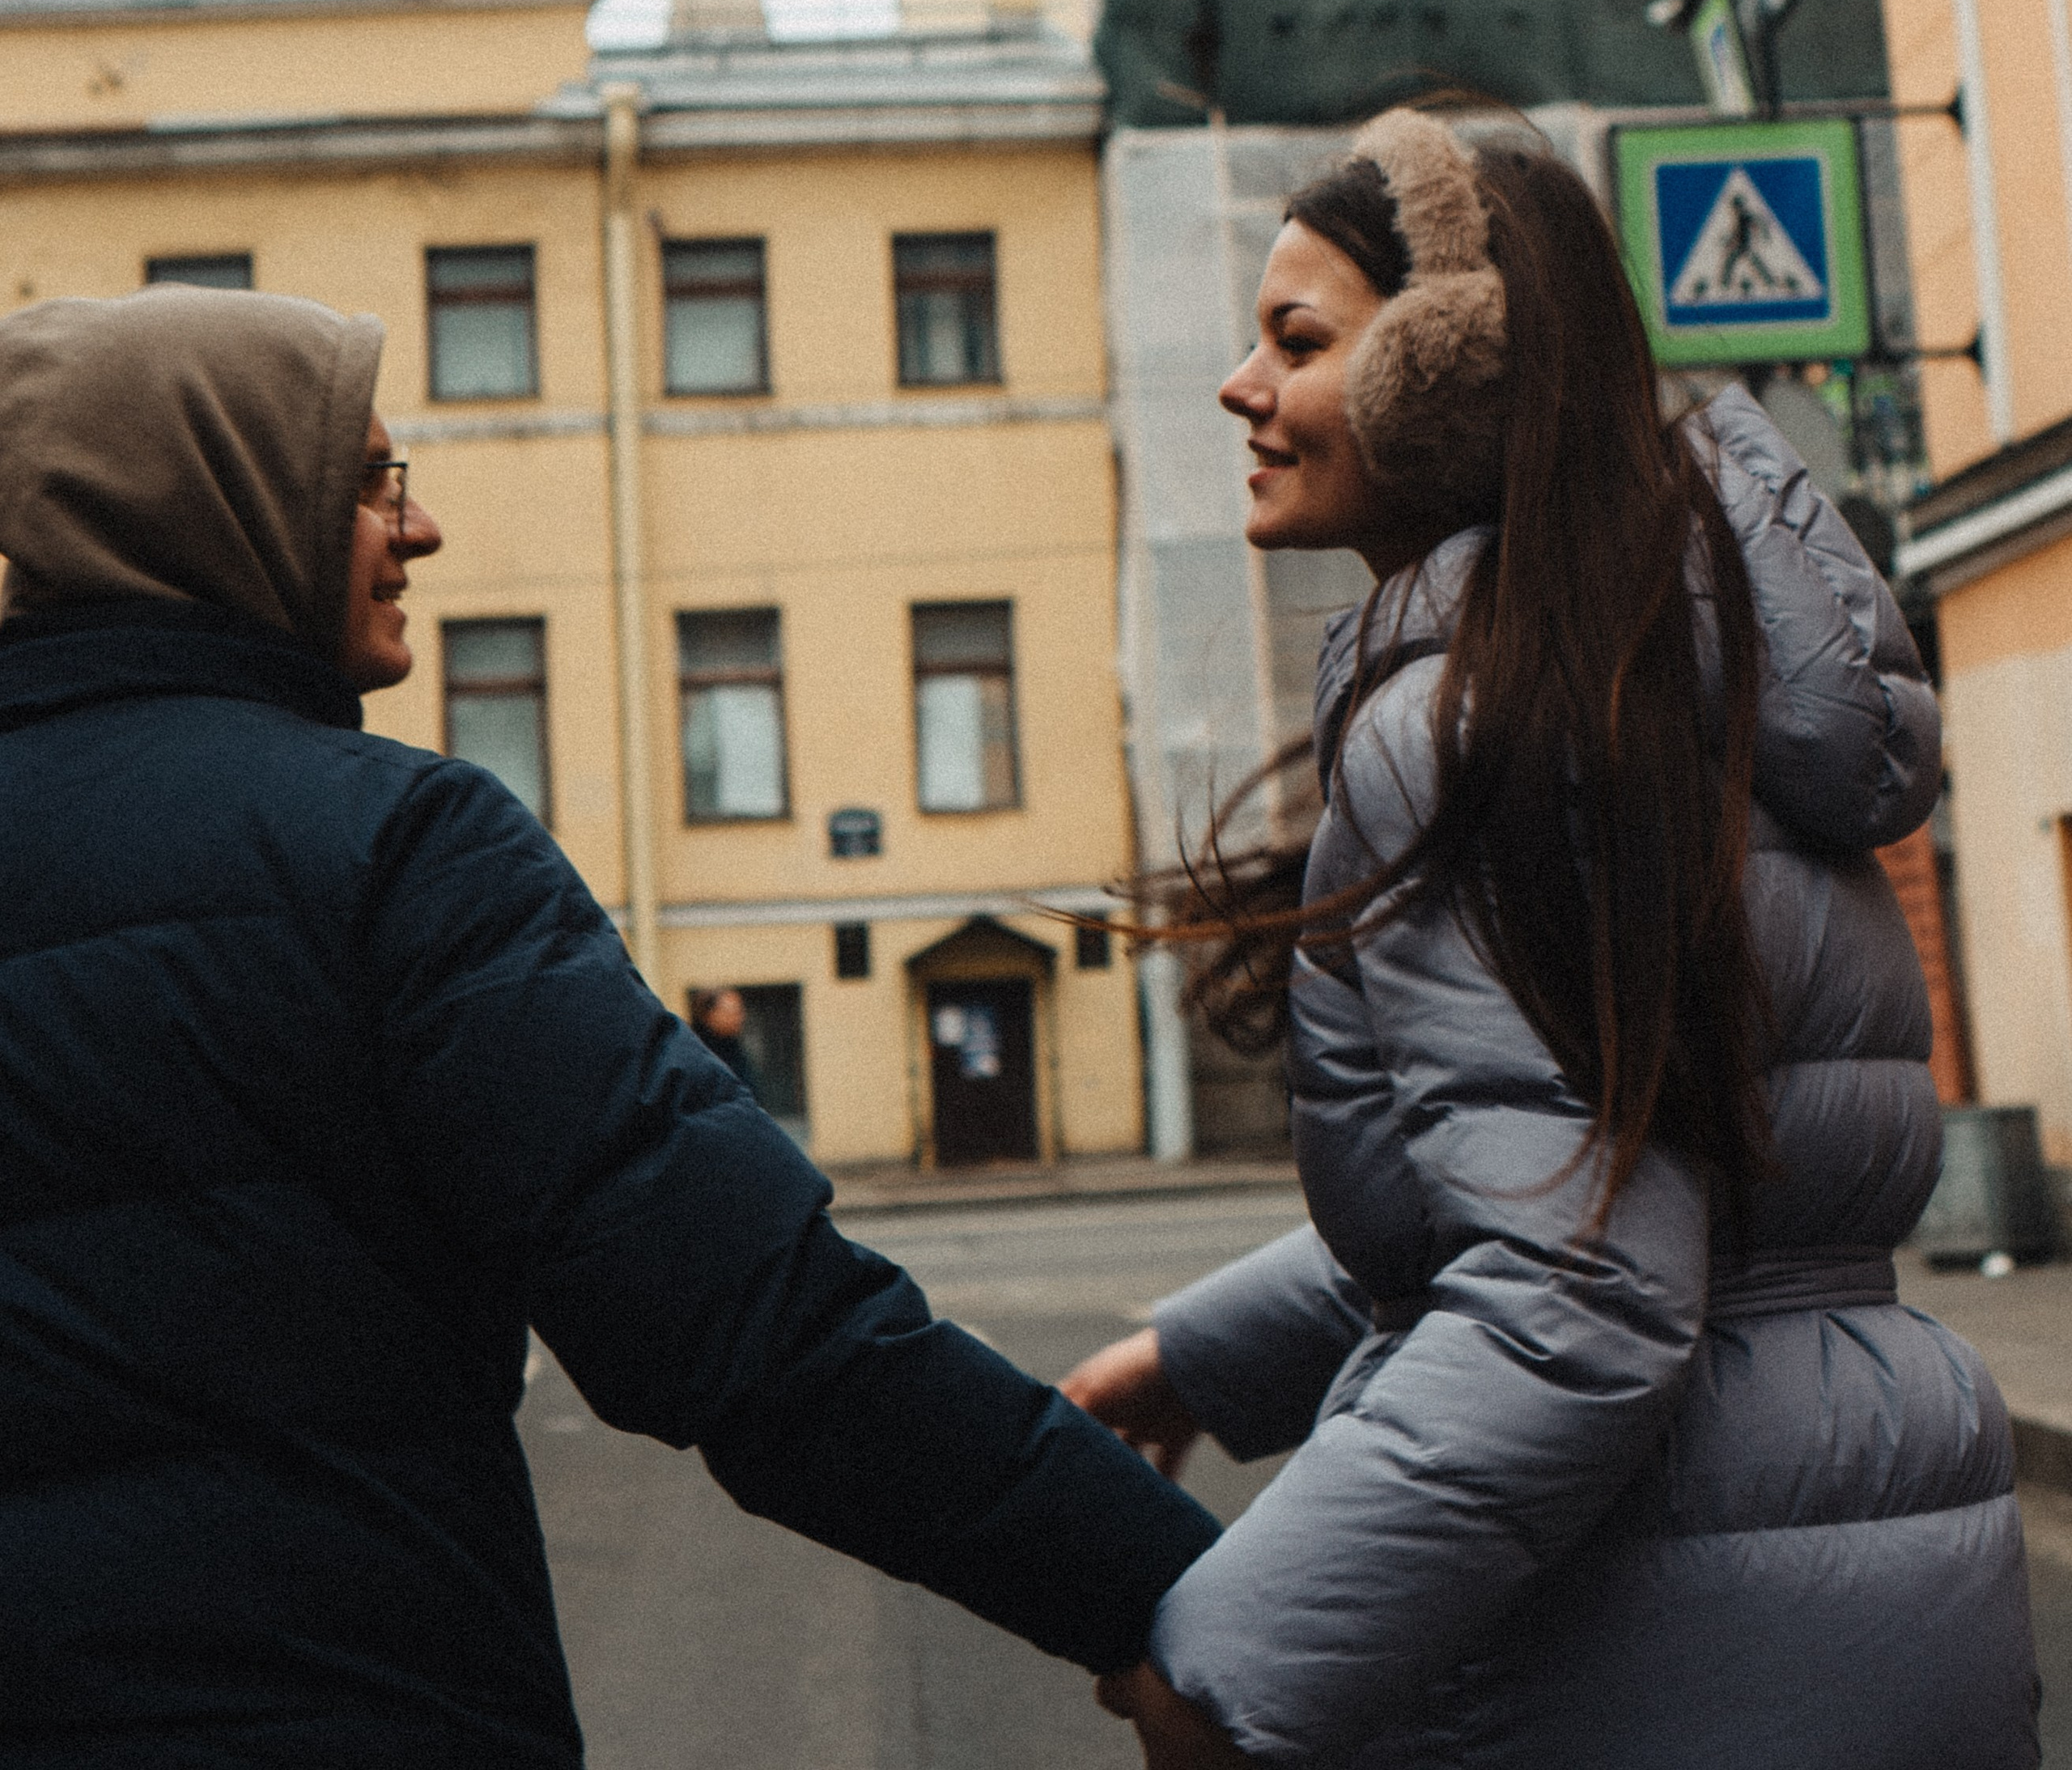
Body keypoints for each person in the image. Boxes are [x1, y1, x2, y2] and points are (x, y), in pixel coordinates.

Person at [0, 285, 1217, 1765]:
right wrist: (1173, 1601)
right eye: (371, 483)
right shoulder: (389, 849)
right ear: (227, 507)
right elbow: (758, 1326)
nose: (421, 530)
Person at [1070, 108, 2038, 1770]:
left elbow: (1575, 1293)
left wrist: (1222, 1669)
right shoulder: (1668, 691)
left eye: (1294, 342)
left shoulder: (1472, 726)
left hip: (1657, 1631)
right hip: (1874, 1591)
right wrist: (1209, 1353)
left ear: (1441, 373)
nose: (1240, 388)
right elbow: (1625, 1160)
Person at [690, 986, 759, 1100]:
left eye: (740, 1011)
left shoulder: (733, 1045)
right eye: (732, 1012)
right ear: (710, 1014)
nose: (740, 1018)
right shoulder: (696, 1049)